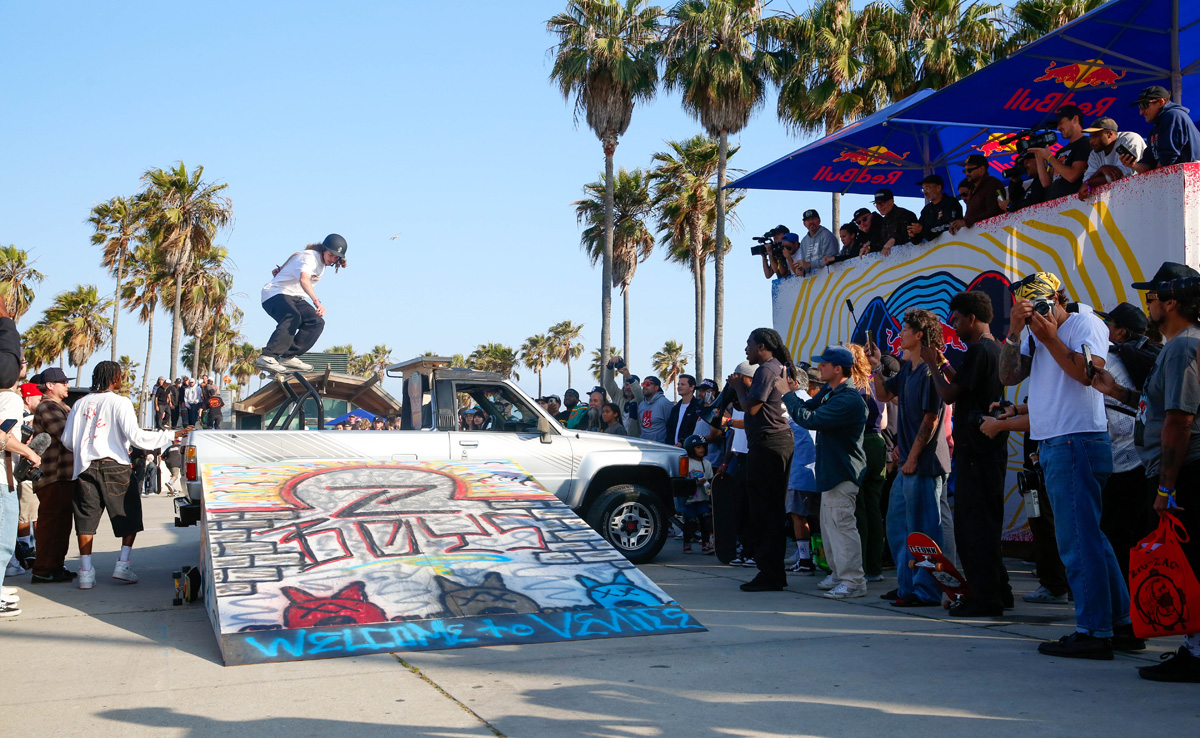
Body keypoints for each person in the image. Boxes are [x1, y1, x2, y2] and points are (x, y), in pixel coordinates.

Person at [998, 271, 1140, 659]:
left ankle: (1094, 630)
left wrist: (1049, 337)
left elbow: (1088, 376)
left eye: (1043, 307)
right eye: (1029, 311)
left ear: (1058, 297)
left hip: (1076, 439)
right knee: (1092, 539)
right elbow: (1007, 375)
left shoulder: (1085, 322)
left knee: (1078, 542)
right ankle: (1121, 625)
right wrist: (1014, 331)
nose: (1038, 317)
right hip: (1058, 442)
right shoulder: (1030, 331)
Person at [1092, 262, 1200, 681]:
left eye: (1152, 297)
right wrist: (1114, 390)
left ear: (1172, 301)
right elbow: (1155, 407)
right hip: (1179, 469)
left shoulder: (1183, 348)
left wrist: (1166, 487)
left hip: (1186, 471)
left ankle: (1196, 653)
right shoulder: (1179, 346)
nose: (1147, 304)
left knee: (1190, 561)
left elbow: (1178, 419)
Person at [923, 291, 1012, 617]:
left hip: (976, 453)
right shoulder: (993, 348)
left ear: (971, 318)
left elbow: (948, 394)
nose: (955, 326)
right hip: (987, 451)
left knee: (973, 529)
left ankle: (984, 598)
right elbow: (963, 384)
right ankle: (999, 590)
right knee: (986, 524)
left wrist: (932, 364)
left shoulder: (978, 351)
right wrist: (945, 362)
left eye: (957, 320)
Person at [63, 362, 186, 590]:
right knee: (127, 514)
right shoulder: (120, 402)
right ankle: (122, 565)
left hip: (84, 468)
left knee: (85, 519)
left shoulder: (79, 404)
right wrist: (170, 435)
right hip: (114, 465)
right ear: (114, 377)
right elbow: (136, 437)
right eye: (120, 375)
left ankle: (86, 572)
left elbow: (68, 441)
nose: (122, 379)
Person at [870, 309, 953, 607]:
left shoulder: (932, 371)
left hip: (925, 464)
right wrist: (877, 366)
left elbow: (931, 420)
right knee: (899, 526)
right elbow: (882, 394)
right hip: (908, 462)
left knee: (925, 531)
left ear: (919, 334)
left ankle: (927, 591)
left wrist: (913, 457)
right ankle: (908, 586)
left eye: (905, 328)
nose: (900, 333)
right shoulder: (907, 369)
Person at [779, 345, 868, 598]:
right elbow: (811, 406)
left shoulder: (848, 399)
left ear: (838, 369)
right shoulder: (832, 391)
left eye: (824, 365)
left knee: (842, 527)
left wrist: (787, 394)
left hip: (843, 472)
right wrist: (793, 391)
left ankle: (853, 581)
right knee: (830, 528)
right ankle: (840, 574)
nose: (819, 368)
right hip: (831, 472)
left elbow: (810, 419)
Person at [727, 329, 796, 592]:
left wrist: (738, 388)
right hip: (777, 443)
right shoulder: (778, 367)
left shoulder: (766, 370)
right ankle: (773, 572)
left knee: (764, 511)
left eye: (749, 344)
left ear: (762, 346)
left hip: (768, 445)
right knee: (771, 509)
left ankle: (770, 573)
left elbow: (752, 408)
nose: (746, 349)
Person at [1094, 301, 1157, 581]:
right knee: (1135, 534)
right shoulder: (1145, 358)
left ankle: (1125, 607)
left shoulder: (1113, 361)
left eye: (1109, 324)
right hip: (1143, 461)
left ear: (1120, 333)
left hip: (1123, 462)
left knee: (1116, 536)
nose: (1103, 328)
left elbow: (1120, 422)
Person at [256, 234, 347, 374]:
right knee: (293, 316)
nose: (332, 260)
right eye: (330, 255)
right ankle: (267, 356)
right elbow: (304, 280)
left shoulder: (320, 263)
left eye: (336, 258)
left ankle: (287, 357)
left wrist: (282, 268)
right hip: (274, 294)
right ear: (323, 249)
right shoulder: (310, 257)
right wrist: (317, 303)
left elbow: (295, 255)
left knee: (316, 322)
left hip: (295, 297)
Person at [29, 368, 77, 584]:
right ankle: (42, 569)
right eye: (63, 382)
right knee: (51, 523)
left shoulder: (61, 406)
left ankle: (55, 566)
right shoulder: (47, 406)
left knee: (62, 524)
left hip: (63, 477)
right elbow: (66, 434)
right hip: (53, 476)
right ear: (50, 385)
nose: (67, 385)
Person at [847, 343, 887, 582]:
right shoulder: (874, 381)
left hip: (860, 443)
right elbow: (883, 423)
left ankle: (859, 566)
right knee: (873, 508)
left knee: (858, 509)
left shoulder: (851, 387)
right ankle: (875, 567)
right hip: (878, 443)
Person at [784, 370, 818, 575]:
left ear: (794, 383)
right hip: (814, 469)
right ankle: (811, 556)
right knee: (816, 516)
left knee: (798, 515)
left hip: (800, 469)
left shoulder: (794, 404)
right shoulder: (812, 402)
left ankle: (805, 559)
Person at [1124, 85, 1200, 173]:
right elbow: (1148, 165)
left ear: (1161, 102)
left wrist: (1155, 176)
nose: (1141, 112)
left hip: (1192, 179)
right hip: (1180, 179)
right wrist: (1133, 164)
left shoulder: (1173, 115)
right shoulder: (1155, 129)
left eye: (1144, 105)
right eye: (1139, 106)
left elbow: (1168, 157)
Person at [1029, 104, 1090, 200]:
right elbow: (1046, 182)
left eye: (1060, 122)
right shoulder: (1060, 151)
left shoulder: (1085, 143)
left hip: (1076, 204)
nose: (1058, 128)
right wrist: (1038, 153)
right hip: (1058, 206)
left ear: (1075, 119)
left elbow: (1072, 176)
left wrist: (1049, 157)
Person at [1077, 117, 1147, 199]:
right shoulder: (1095, 154)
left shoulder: (1129, 139)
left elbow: (1123, 175)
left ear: (1109, 134)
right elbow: (1086, 180)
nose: (1091, 141)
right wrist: (1101, 170)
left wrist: (1090, 182)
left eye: (1095, 136)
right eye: (1090, 136)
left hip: (1143, 193)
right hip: (1119, 199)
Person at [613, 361, 673, 444]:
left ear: (656, 387)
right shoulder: (642, 404)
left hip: (660, 447)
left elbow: (672, 427)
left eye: (648, 384)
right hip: (643, 446)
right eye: (643, 384)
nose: (644, 386)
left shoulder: (664, 403)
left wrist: (628, 376)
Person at [678, 435, 715, 555]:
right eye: (698, 447)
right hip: (690, 500)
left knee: (706, 520)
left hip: (703, 498)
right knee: (690, 522)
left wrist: (706, 483)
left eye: (703, 447)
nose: (702, 449)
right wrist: (694, 483)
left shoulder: (707, 463)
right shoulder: (686, 462)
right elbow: (682, 479)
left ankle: (705, 544)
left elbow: (709, 478)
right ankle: (687, 543)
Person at [950, 155, 1005, 234]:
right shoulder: (973, 189)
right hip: (979, 239)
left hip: (994, 236)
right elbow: (972, 214)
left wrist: (966, 222)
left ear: (982, 169)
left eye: (969, 170)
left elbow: (995, 211)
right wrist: (957, 224)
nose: (966, 174)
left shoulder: (993, 184)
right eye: (965, 171)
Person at [908, 175, 962, 245]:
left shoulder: (951, 203)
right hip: (935, 253)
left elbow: (950, 226)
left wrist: (922, 230)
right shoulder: (926, 210)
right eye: (923, 189)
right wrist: (914, 234)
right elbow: (919, 238)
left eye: (927, 188)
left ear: (938, 188)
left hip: (954, 246)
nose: (924, 192)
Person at [873, 189, 919, 257]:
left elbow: (912, 235)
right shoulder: (883, 220)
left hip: (913, 258)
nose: (879, 207)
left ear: (891, 201)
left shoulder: (905, 214)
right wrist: (868, 247)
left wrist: (894, 240)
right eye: (876, 204)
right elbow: (881, 243)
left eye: (881, 203)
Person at [793, 210, 839, 277]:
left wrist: (809, 264)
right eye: (808, 220)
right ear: (804, 224)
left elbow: (830, 261)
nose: (811, 222)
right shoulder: (804, 241)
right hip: (813, 283)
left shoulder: (827, 235)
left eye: (813, 219)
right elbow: (805, 265)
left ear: (819, 220)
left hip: (830, 279)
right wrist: (801, 269)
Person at [665, 374, 702, 447]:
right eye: (678, 384)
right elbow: (670, 429)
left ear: (692, 387)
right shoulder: (675, 409)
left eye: (683, 384)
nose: (679, 387)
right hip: (674, 449)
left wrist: (684, 442)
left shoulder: (698, 407)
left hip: (690, 449)